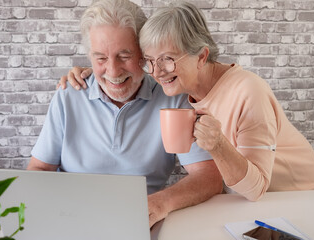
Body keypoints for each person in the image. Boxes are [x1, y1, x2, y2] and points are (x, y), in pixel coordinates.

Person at [64, 1, 314, 202]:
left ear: (201, 56)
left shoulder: (248, 90)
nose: (157, 71)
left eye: (167, 58)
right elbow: (117, 68)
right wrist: (93, 73)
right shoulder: (181, 90)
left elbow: (256, 189)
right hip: (244, 199)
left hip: (293, 196)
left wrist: (218, 145)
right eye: (150, 60)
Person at [28, 0, 223, 228]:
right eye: (101, 58)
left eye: (124, 56)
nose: (112, 71)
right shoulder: (68, 96)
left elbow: (209, 177)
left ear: (144, 52)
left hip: (140, 223)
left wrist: (160, 203)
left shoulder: (172, 98)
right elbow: (39, 169)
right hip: (71, 222)